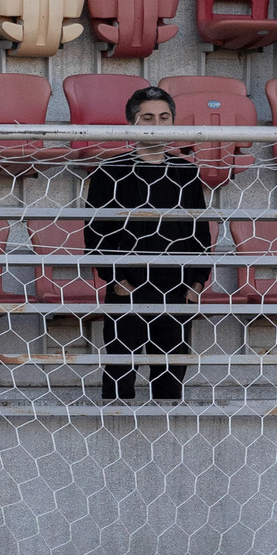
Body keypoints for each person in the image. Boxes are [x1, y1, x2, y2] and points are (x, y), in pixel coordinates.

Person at [86, 86, 211, 404]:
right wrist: (115, 278)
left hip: (176, 286)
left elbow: (200, 229)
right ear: (132, 123)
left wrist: (197, 281)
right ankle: (114, 434)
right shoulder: (110, 171)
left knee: (171, 371)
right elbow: (95, 229)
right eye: (148, 117)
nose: (157, 123)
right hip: (128, 285)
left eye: (164, 117)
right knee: (120, 368)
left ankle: (168, 433)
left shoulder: (185, 171)